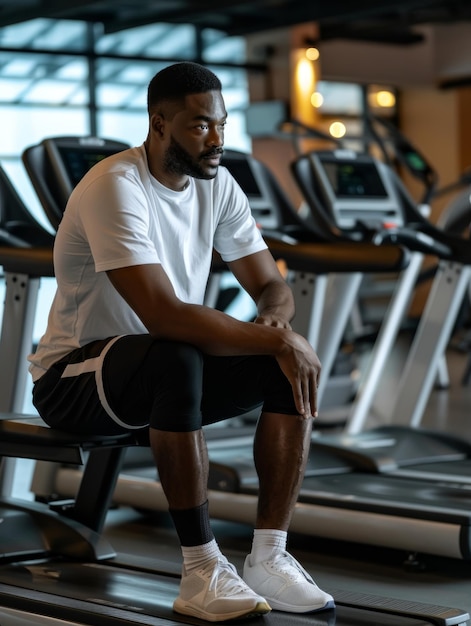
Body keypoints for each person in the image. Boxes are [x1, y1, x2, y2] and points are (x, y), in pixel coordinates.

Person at [28, 61, 335, 622]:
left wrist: (275, 328)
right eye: (199, 126)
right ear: (159, 123)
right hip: (72, 381)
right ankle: (200, 570)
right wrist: (276, 341)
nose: (216, 139)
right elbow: (163, 314)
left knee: (282, 367)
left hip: (159, 372)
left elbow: (271, 283)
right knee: (178, 355)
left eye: (220, 124)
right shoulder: (114, 186)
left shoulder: (217, 186)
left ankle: (269, 557)